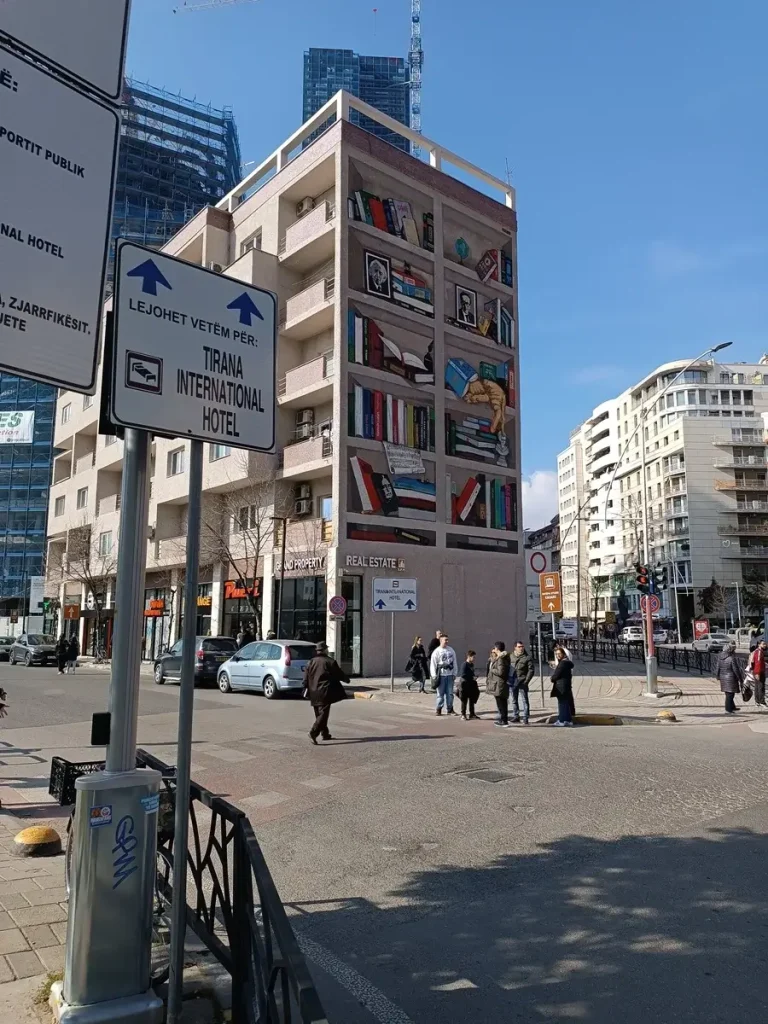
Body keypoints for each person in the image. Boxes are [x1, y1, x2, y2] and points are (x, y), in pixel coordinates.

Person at [304, 641, 350, 744]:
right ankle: (313, 732)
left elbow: (306, 676)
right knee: (323, 714)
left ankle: (325, 734)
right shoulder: (330, 661)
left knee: (319, 714)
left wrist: (305, 687)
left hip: (313, 691)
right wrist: (346, 679)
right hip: (325, 691)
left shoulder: (311, 662)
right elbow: (338, 674)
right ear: (325, 650)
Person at [430, 634, 458, 716]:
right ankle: (438, 709)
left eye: (447, 640)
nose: (447, 641)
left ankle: (450, 709)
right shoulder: (436, 652)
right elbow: (433, 665)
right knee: (440, 694)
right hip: (441, 675)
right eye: (445, 640)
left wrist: (454, 673)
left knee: (450, 693)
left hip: (449, 675)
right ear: (441, 640)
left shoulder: (451, 650)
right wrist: (434, 676)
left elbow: (455, 662)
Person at [486, 642, 511, 727]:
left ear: (497, 649)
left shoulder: (501, 659)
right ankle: (503, 719)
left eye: (495, 648)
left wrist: (492, 670)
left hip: (499, 684)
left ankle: (503, 720)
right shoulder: (503, 657)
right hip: (500, 683)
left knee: (501, 702)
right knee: (502, 702)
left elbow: (501, 672)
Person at [715, 642, 744, 715]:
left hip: (723, 677)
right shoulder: (731, 658)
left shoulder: (720, 657)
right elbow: (736, 670)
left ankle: (732, 707)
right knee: (730, 694)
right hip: (731, 678)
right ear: (730, 650)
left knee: (728, 693)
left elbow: (718, 667)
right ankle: (728, 710)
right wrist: (740, 678)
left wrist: (717, 676)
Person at [550, 646, 574, 726]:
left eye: (560, 654)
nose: (558, 655)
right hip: (566, 686)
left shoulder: (562, 663)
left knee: (562, 704)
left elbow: (556, 676)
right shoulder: (567, 663)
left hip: (561, 686)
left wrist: (552, 678)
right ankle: (568, 720)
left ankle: (562, 720)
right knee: (566, 703)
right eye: (556, 654)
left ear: (563, 654)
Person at [511, 641, 534, 724]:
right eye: (519, 647)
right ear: (515, 648)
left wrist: (526, 681)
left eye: (522, 646)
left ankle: (526, 717)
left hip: (522, 681)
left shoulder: (527, 657)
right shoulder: (511, 657)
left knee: (524, 700)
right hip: (513, 682)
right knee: (514, 700)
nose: (521, 648)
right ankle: (516, 716)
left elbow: (531, 670)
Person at [457, 650, 479, 720]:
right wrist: (471, 677)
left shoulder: (472, 664)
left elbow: (471, 673)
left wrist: (474, 676)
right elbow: (463, 674)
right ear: (469, 657)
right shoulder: (464, 664)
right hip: (465, 684)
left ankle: (472, 714)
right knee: (464, 700)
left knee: (472, 699)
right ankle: (463, 714)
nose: (474, 659)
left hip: (471, 684)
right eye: (473, 657)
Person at [747, 640, 767, 707]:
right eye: (763, 644)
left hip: (757, 671)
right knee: (760, 686)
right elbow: (758, 663)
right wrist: (757, 673)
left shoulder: (757, 651)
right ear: (759, 644)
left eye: (765, 644)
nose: (765, 645)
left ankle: (757, 701)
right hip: (759, 672)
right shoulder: (759, 652)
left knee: (757, 686)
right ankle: (761, 701)